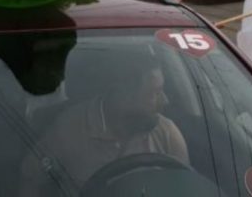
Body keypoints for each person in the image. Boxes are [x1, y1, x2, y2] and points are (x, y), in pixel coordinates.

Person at [19, 52, 188, 195]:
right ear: (123, 95)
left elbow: (186, 189)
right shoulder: (68, 130)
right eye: (155, 92)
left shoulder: (166, 133)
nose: (165, 100)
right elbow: (30, 181)